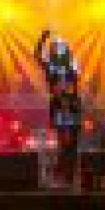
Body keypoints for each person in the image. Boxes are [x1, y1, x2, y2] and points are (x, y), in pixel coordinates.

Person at [35, 29, 82, 186]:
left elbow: (76, 80)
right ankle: (61, 174)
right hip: (59, 104)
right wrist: (43, 39)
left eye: (62, 46)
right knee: (62, 140)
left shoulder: (72, 64)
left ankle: (70, 175)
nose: (60, 48)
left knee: (73, 142)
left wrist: (71, 98)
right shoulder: (50, 65)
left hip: (72, 104)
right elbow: (37, 55)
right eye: (56, 46)